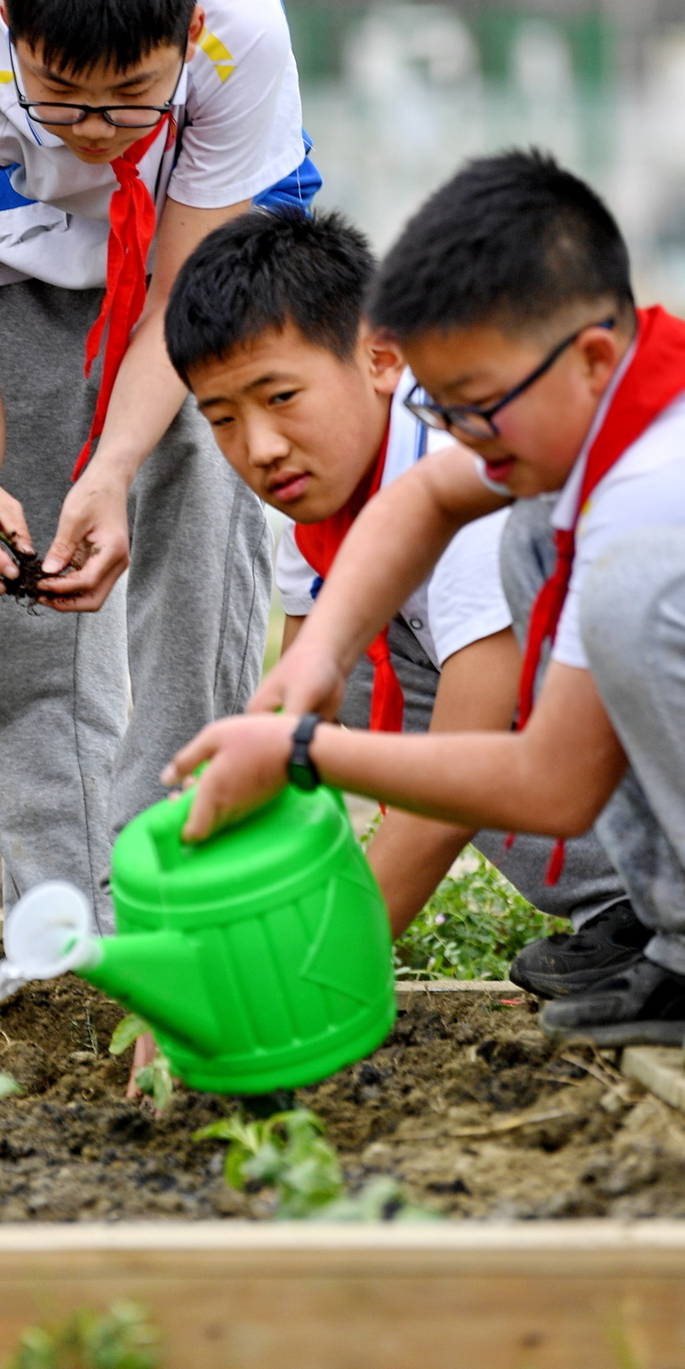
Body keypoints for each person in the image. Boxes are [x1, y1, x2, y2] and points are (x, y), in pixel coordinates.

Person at [168, 149, 685, 1078]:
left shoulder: (668, 471)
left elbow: (555, 786)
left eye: (476, 409)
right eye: (443, 411)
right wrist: (317, 655)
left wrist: (299, 755)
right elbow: (427, 499)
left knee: (650, 597)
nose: (459, 436)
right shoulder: (594, 396)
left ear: (592, 356)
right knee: (537, 540)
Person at [0, 0, 316, 921]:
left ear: (183, 39)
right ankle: (74, 917)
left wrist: (112, 468)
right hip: (26, 264)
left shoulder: (238, 26)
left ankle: (180, 886)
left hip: (202, 256)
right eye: (60, 97)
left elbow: (179, 299)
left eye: (130, 99)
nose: (92, 130)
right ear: (13, 28)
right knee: (2, 582)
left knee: (202, 525)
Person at [160, 203, 625, 949]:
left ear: (381, 358)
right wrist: (224, 928)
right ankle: (627, 918)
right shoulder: (318, 513)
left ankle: (656, 909)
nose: (262, 446)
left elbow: (455, 781)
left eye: (281, 398)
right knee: (348, 674)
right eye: (222, 419)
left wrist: (317, 966)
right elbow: (296, 732)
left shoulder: (464, 465)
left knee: (435, 725)